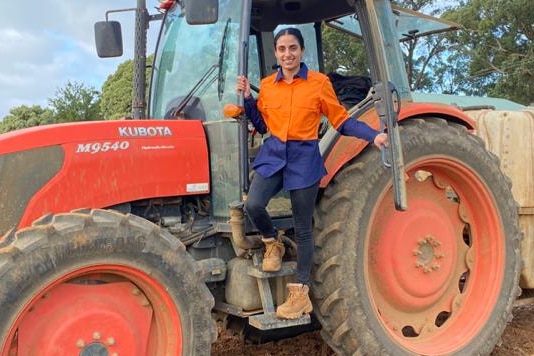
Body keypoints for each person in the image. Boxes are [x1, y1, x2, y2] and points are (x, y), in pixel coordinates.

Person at [236, 27, 388, 320]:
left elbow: (341, 121)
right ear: (277, 53)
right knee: (253, 205)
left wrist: (373, 136)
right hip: (275, 155)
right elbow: (263, 125)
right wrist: (246, 99)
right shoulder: (268, 85)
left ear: (301, 51)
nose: (287, 54)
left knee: (303, 227)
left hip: (304, 158)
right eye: (282, 49)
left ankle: (301, 293)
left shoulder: (318, 83)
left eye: (292, 48)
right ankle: (272, 241)